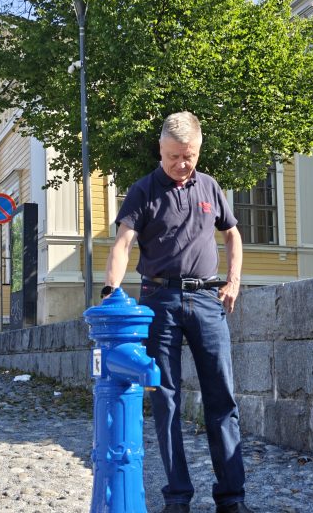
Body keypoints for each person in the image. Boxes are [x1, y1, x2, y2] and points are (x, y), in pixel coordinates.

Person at [102, 111, 252, 513]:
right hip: (159, 301)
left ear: (198, 150)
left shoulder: (210, 186)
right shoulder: (143, 191)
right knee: (165, 398)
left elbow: (232, 233)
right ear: (160, 150)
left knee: (222, 398)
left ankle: (231, 496)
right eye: (173, 157)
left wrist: (234, 281)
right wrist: (110, 290)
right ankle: (178, 497)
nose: (181, 165)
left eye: (189, 157)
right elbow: (123, 243)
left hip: (206, 300)